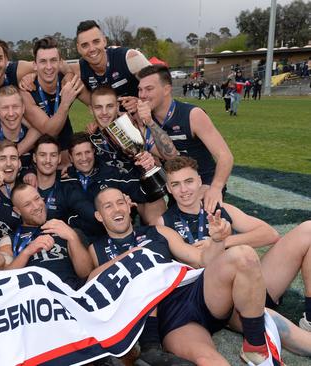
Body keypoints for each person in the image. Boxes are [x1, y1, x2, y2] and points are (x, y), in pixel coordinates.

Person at [90, 187, 282, 365]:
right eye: (108, 206)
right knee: (208, 360)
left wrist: (217, 241)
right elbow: (91, 283)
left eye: (120, 202)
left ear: (128, 205)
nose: (117, 209)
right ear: (99, 216)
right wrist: (135, 256)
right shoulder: (96, 248)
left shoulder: (158, 231)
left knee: (244, 255)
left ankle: (255, 346)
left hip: (193, 292)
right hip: (170, 317)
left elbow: (202, 260)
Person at [159, 156, 311, 340]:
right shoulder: (163, 223)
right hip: (219, 302)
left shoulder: (219, 208)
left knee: (308, 230)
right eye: (175, 184)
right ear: (168, 188)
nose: (183, 190)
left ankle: (309, 318)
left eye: (189, 181)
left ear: (200, 181)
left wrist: (224, 241)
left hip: (250, 282)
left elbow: (269, 234)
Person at [137, 65, 233, 214]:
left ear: (167, 89)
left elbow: (225, 156)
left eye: (149, 89)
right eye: (140, 89)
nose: (142, 95)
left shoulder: (192, 115)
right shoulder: (144, 119)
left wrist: (215, 188)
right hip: (176, 189)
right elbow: (170, 156)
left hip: (203, 185)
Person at [88, 85, 177, 224]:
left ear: (117, 107)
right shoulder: (89, 139)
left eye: (110, 106)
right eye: (98, 107)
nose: (104, 112)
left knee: (158, 220)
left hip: (138, 190)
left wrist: (150, 160)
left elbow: (171, 155)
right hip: (109, 198)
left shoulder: (132, 130)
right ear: (91, 109)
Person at [0, 183, 93, 290]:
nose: (36, 206)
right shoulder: (8, 239)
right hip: (35, 299)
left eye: (37, 199)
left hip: (69, 294)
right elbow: (3, 280)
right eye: (27, 204)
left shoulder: (65, 229)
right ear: (18, 211)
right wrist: (27, 252)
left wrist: (72, 237)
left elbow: (86, 273)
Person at [21, 36, 83, 162]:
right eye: (43, 61)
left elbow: (94, 100)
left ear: (60, 62)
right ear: (35, 65)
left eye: (53, 60)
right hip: (40, 158)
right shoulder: (27, 90)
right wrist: (65, 103)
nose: (49, 67)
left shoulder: (68, 81)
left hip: (67, 152)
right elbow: (49, 132)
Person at [72, 20, 151, 112]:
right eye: (85, 45)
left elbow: (159, 87)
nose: (92, 49)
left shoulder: (130, 58)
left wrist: (140, 102)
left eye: (96, 42)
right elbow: (63, 69)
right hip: (115, 122)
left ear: (104, 41)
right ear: (78, 48)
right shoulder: (79, 70)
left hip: (146, 117)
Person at [31, 135, 101, 237]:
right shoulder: (24, 186)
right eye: (42, 155)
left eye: (53, 155)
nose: (48, 160)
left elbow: (89, 212)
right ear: (34, 157)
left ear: (59, 158)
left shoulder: (68, 188)